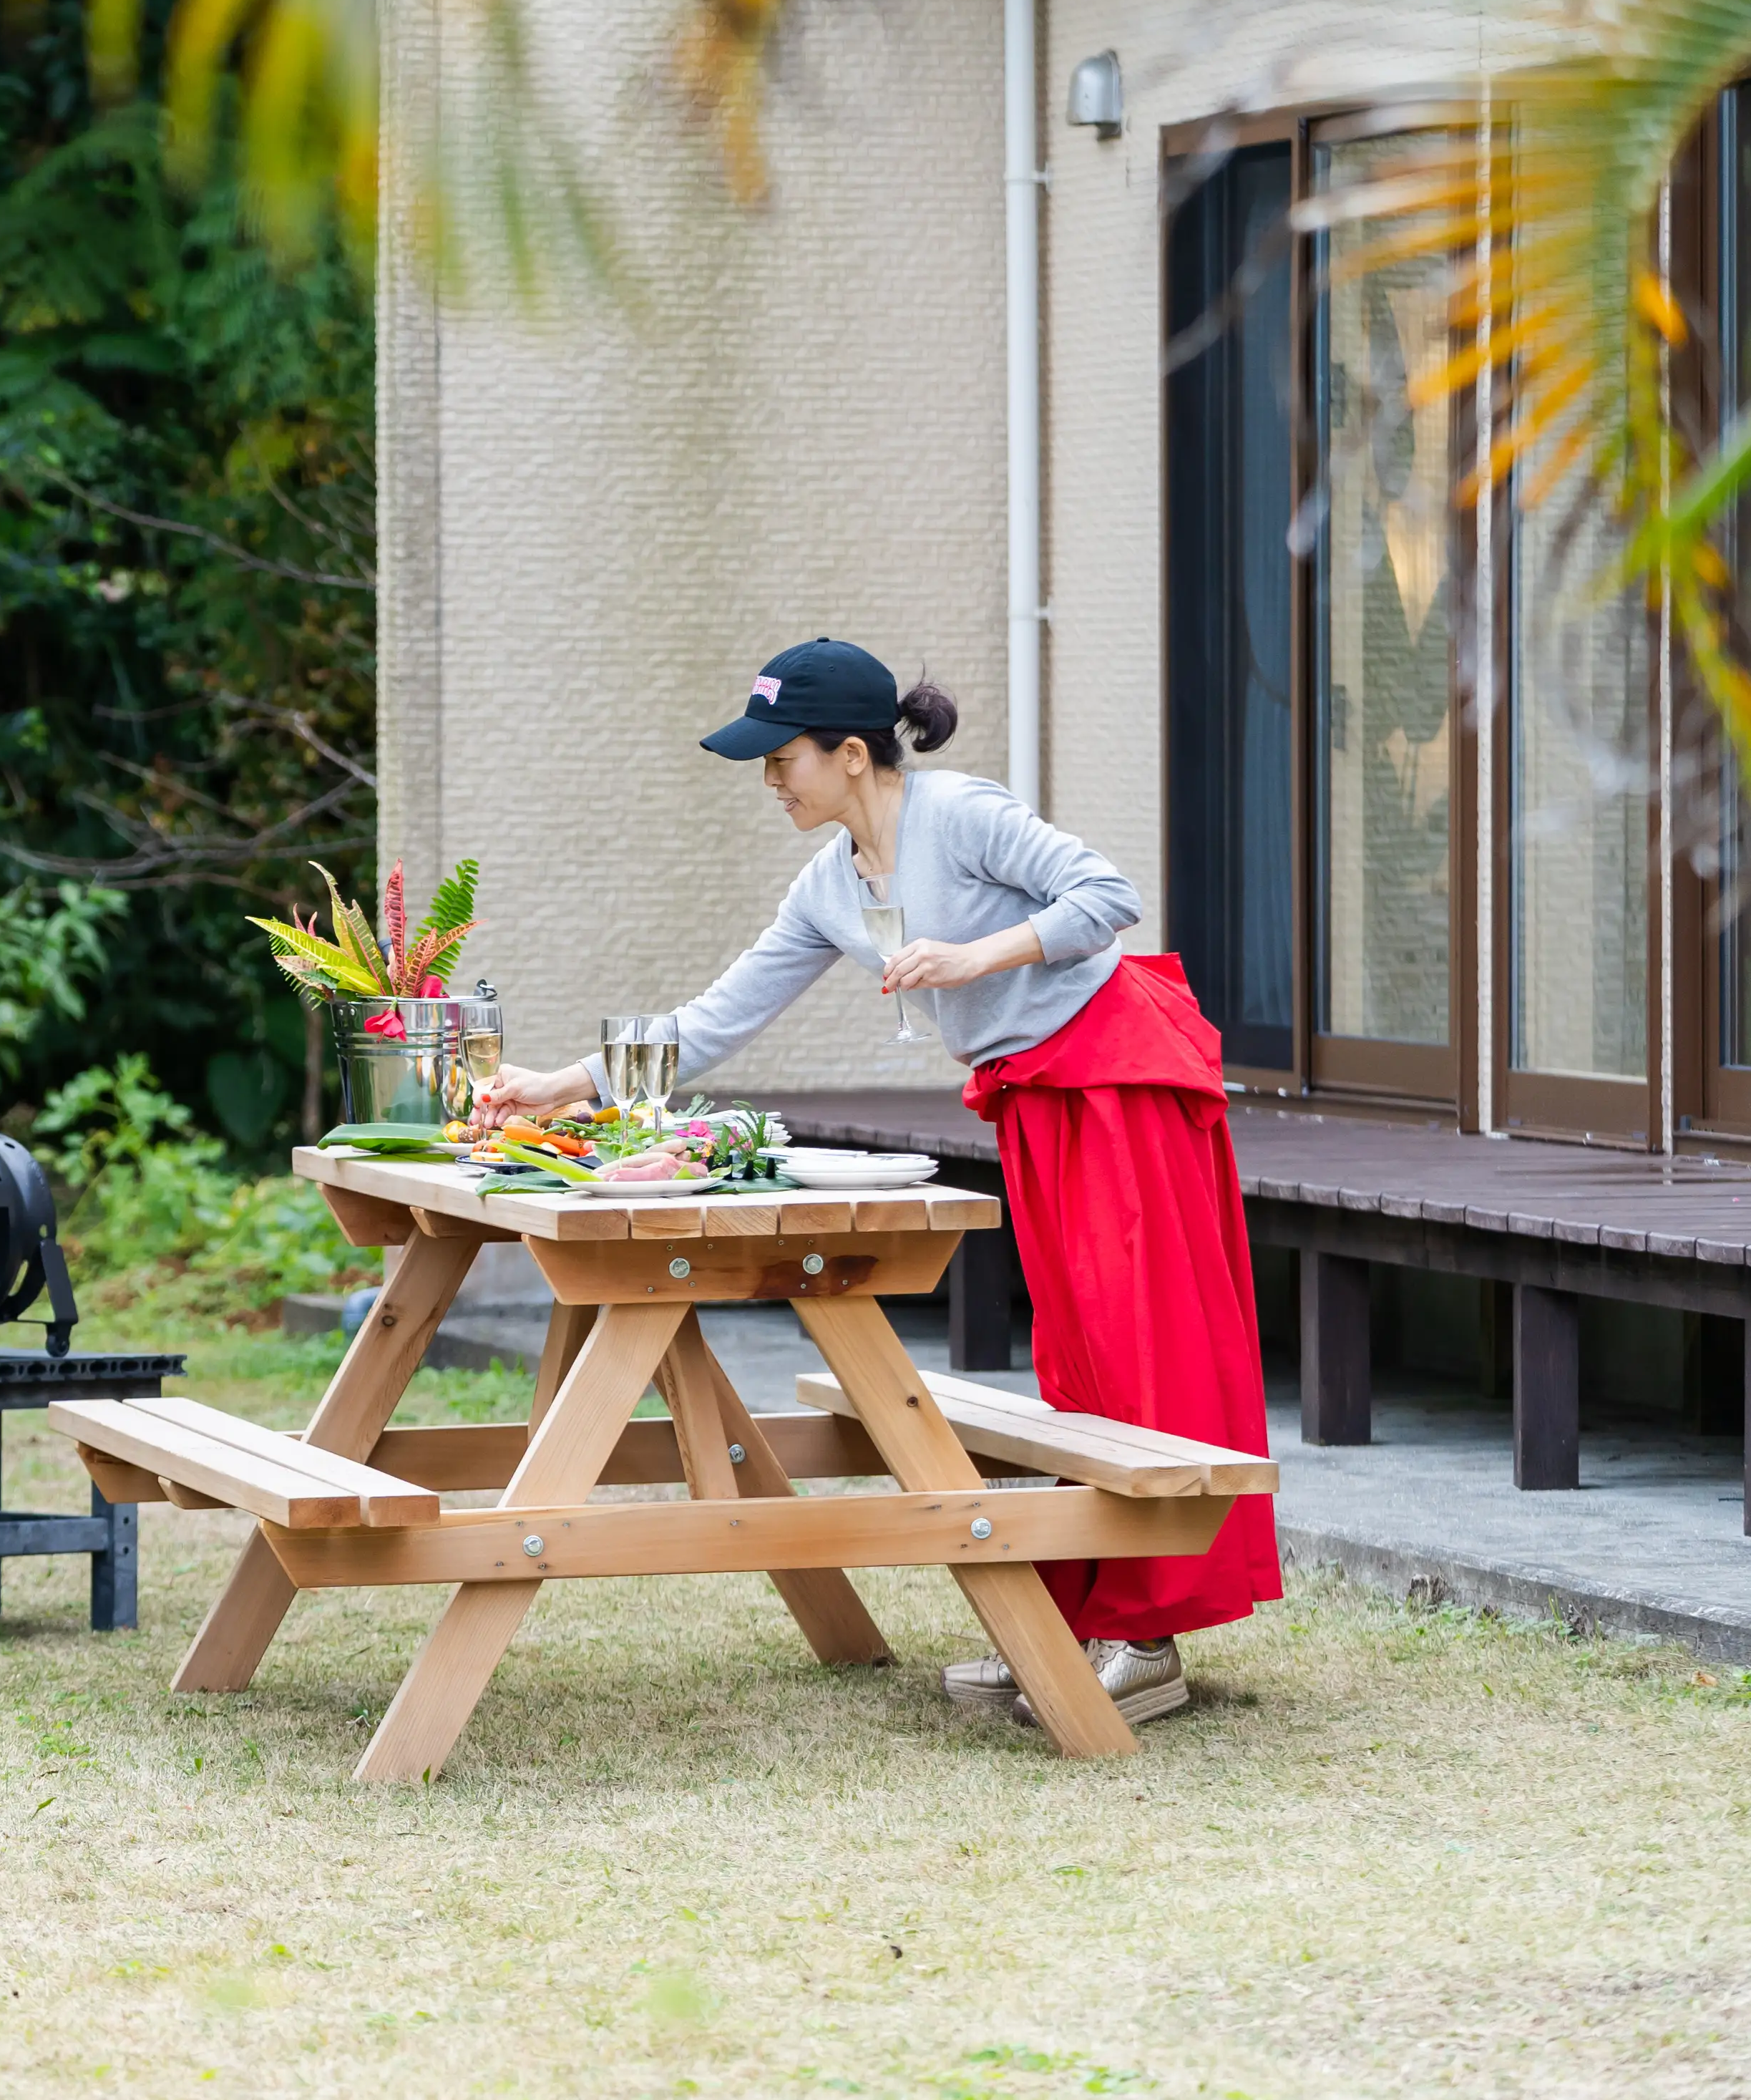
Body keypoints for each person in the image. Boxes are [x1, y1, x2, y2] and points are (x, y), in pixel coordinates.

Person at [468, 636, 1277, 1728]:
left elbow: (1107, 894)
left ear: (852, 753)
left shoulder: (962, 815)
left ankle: (1144, 1640)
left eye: (781, 757)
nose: (769, 780)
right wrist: (556, 1087)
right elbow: (714, 1019)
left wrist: (972, 958)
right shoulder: (829, 886)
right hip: (1036, 1095)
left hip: (1120, 1078)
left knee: (1140, 1344)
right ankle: (1078, 1622)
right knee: (1077, 1352)